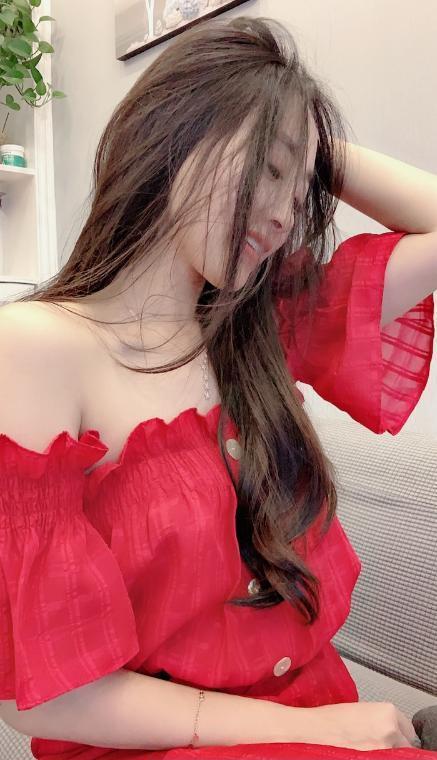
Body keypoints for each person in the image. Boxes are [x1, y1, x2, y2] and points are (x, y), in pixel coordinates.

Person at [0, 14, 436, 760]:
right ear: (176, 133)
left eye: (301, 188)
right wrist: (311, 729)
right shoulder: (35, 348)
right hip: (169, 743)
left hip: (333, 722)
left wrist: (311, 140)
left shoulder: (266, 331)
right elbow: (44, 695)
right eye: (269, 170)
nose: (284, 213)